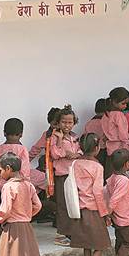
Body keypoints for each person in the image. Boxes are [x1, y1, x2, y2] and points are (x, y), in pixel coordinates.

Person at [0, 152, 45, 256]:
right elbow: (38, 205)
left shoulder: (8, 187)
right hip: (26, 227)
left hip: (12, 229)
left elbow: (5, 210)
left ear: (8, 169)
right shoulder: (28, 185)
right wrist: (27, 215)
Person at [69, 133, 111, 256]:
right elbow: (98, 193)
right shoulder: (97, 167)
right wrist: (105, 213)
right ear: (97, 148)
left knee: (86, 241)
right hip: (93, 209)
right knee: (102, 242)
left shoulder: (75, 164)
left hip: (79, 208)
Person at [49, 105, 81, 246]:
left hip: (73, 174)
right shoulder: (55, 137)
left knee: (72, 203)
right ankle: (61, 235)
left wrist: (76, 154)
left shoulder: (75, 137)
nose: (67, 125)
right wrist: (61, 142)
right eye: (64, 122)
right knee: (63, 205)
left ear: (74, 123)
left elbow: (80, 151)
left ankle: (71, 232)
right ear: (58, 122)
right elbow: (55, 154)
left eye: (70, 122)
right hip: (62, 175)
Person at [0, 118, 32, 196]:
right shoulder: (22, 149)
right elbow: (25, 170)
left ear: (4, 133)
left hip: (3, 187)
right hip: (18, 187)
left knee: (4, 207)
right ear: (21, 134)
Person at [102, 87, 129, 179]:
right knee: (121, 178)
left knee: (111, 178)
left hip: (109, 151)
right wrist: (128, 152)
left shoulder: (105, 115)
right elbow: (124, 135)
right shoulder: (119, 115)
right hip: (120, 151)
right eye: (123, 103)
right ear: (114, 102)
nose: (125, 106)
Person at [83, 98, 108, 167]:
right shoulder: (107, 123)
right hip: (103, 151)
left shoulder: (89, 123)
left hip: (90, 151)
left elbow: (85, 137)